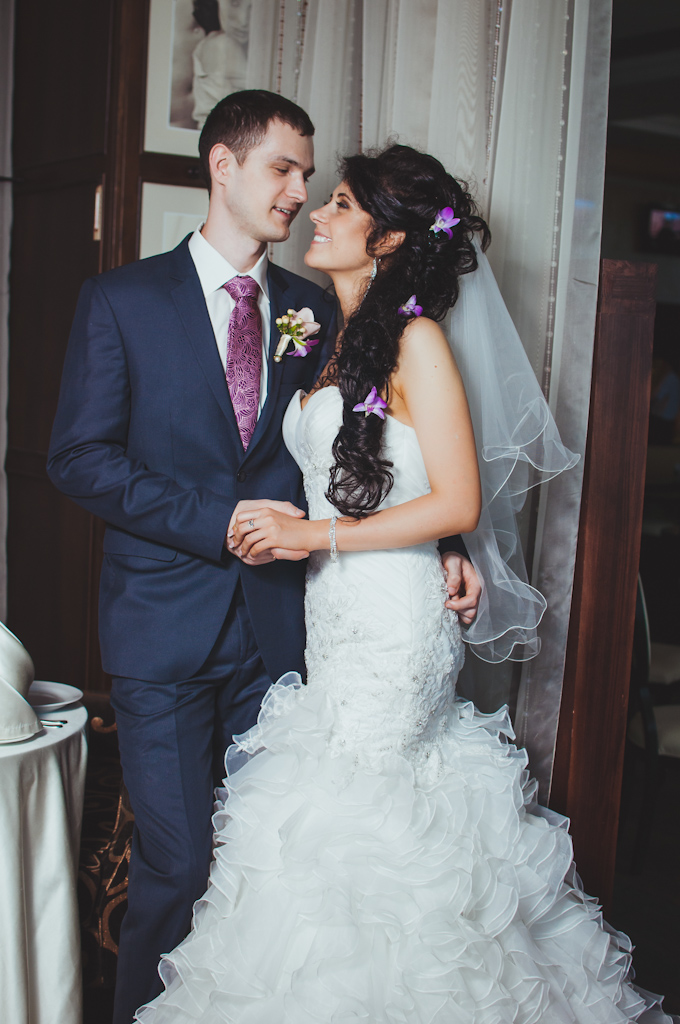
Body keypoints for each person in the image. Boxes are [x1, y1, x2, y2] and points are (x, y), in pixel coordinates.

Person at [135, 144, 677, 1024]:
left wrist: (335, 535)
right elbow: (396, 471)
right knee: (332, 826)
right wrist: (424, 540)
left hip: (391, 624)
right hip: (333, 616)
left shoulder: (418, 341)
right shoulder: (328, 333)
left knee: (369, 829)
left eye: (341, 204)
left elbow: (457, 494)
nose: (317, 212)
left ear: (387, 239)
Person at [47, 94, 480, 1024]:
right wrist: (222, 519)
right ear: (223, 166)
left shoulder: (323, 309)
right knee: (177, 865)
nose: (299, 192)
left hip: (289, 636)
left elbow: (379, 446)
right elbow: (78, 460)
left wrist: (449, 540)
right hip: (163, 630)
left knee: (268, 870)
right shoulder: (122, 301)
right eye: (284, 169)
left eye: (310, 177)